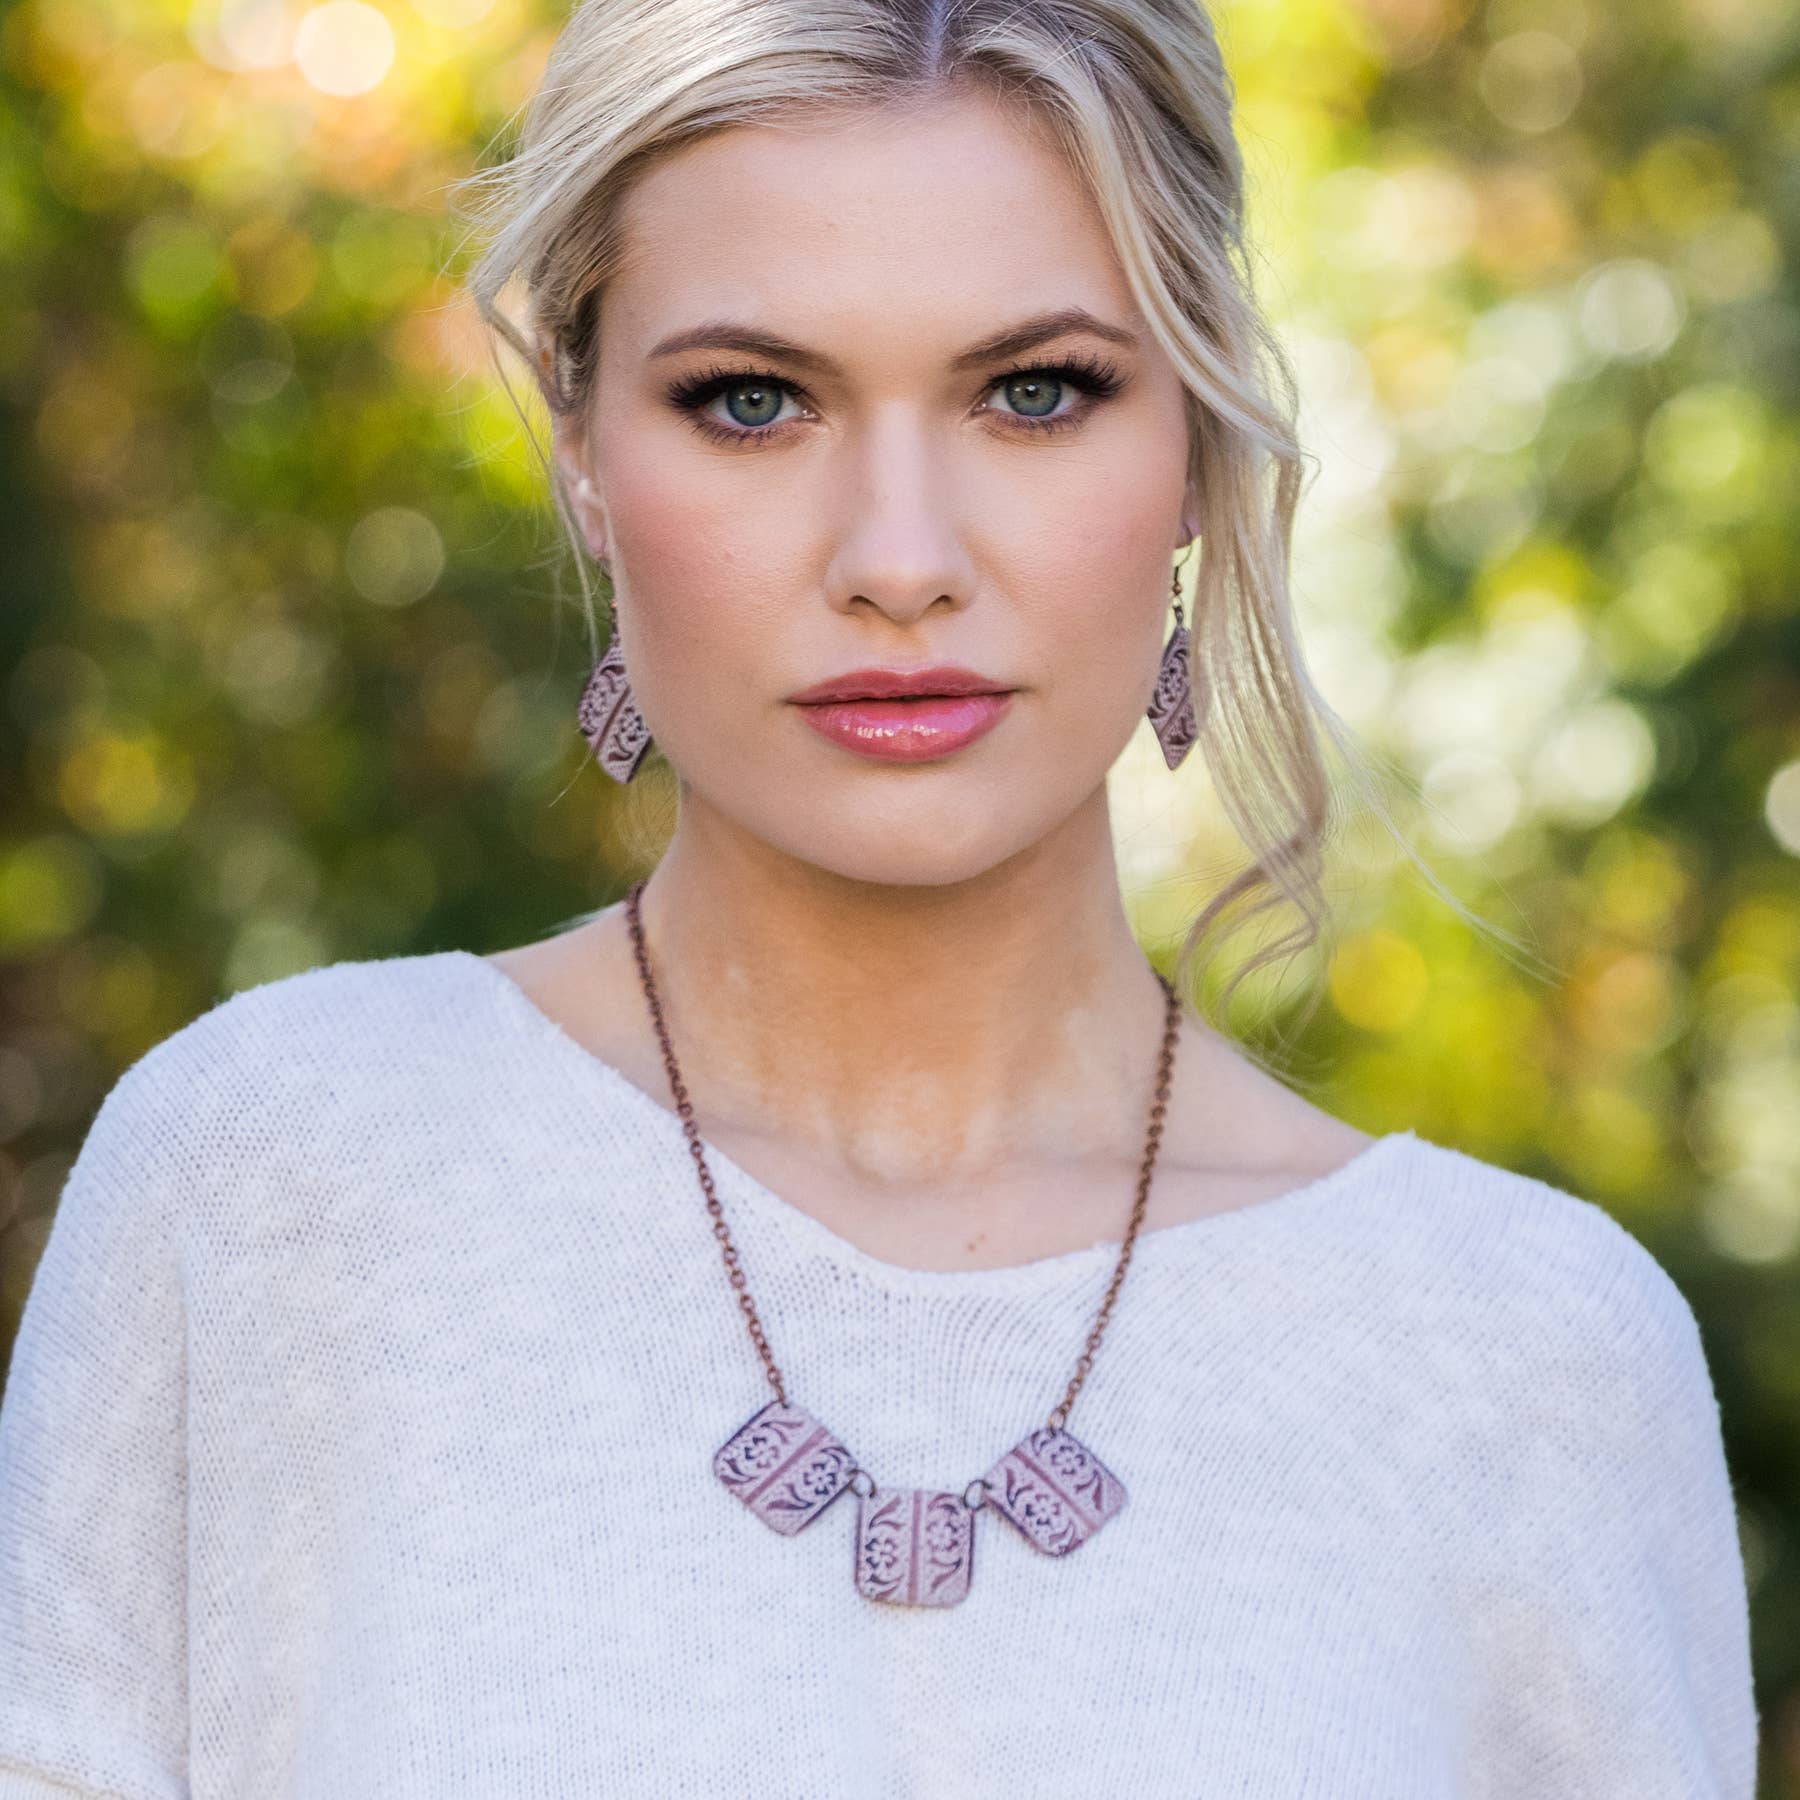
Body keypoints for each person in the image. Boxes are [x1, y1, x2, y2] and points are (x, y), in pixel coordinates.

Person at [0, 0, 1759, 1793]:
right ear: (587, 452)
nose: (900, 561)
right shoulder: (269, 1189)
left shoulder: (1530, 1356)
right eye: (751, 401)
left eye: (1035, 392)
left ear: (1196, 447)